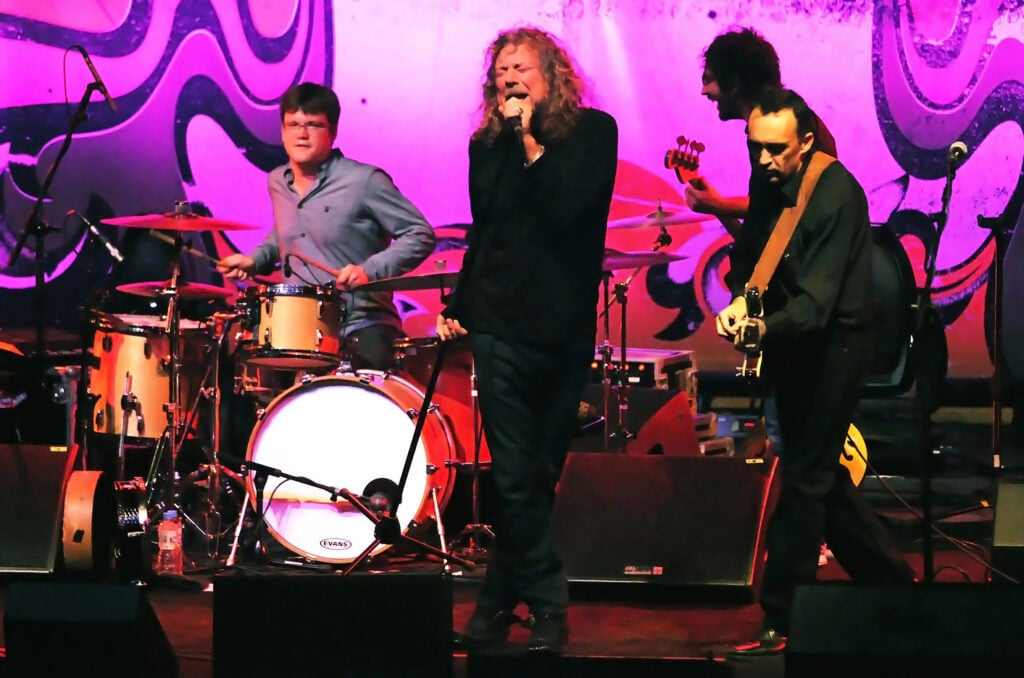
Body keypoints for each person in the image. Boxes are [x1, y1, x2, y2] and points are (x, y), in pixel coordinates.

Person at [436, 27, 617, 654]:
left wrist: (531, 141)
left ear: (550, 76)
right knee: (512, 474)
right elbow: (486, 229)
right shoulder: (487, 145)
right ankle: (549, 606)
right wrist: (460, 302)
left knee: (538, 474)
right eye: (501, 70)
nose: (509, 78)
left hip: (562, 327)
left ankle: (492, 605)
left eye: (521, 67)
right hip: (501, 326)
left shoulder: (593, 134)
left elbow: (568, 211)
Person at [717, 88, 915, 658]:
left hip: (838, 344)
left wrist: (759, 329)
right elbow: (752, 255)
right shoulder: (766, 179)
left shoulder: (837, 195)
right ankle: (891, 586)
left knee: (803, 479)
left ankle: (785, 615)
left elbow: (816, 305)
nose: (762, 161)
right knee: (818, 473)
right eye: (755, 148)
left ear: (805, 141)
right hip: (792, 339)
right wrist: (738, 298)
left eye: (775, 150)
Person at [218, 83, 436, 371]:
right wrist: (254, 260)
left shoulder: (364, 181)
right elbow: (286, 235)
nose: (302, 133)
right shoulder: (278, 182)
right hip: (297, 328)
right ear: (282, 132)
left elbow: (419, 233)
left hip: (360, 324)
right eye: (293, 124)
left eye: (312, 124)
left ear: (332, 132)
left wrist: (368, 271)